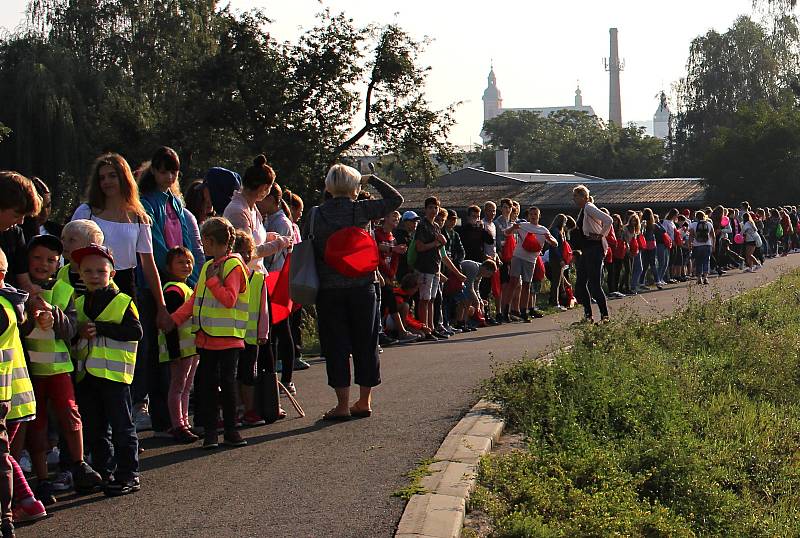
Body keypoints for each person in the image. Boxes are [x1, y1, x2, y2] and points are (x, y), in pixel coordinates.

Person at [311, 164, 402, 421]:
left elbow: (314, 245)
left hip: (329, 288)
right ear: (355, 187)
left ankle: (341, 404)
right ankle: (364, 401)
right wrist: (373, 178)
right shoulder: (361, 210)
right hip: (363, 285)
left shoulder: (316, 214)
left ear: (328, 186)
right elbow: (396, 200)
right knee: (366, 341)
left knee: (336, 344)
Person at [21, 235, 102, 504]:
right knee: (38, 425)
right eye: (37, 258)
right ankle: (42, 480)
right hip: (31, 371)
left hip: (59, 369)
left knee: (70, 413)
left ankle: (78, 465)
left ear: (58, 264)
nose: (43, 264)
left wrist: (54, 316)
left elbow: (70, 331)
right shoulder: (18, 290)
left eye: (50, 260)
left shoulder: (64, 291)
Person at [135, 147, 205, 438]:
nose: (169, 176)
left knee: (183, 352)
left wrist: (189, 269)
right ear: (154, 171)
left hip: (180, 280)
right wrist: (170, 268)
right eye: (164, 170)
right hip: (157, 282)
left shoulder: (175, 201)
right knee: (160, 351)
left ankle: (179, 415)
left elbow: (187, 238)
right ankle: (163, 417)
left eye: (174, 171)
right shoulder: (147, 202)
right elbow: (153, 241)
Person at [168, 217, 250, 449]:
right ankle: (212, 433)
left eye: (204, 242)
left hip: (228, 338)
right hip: (207, 338)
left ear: (210, 241)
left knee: (227, 383)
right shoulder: (206, 266)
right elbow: (195, 299)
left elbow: (229, 299)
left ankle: (231, 431)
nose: (202, 246)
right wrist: (174, 319)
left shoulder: (233, 265)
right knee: (206, 385)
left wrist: (214, 280)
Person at [72, 244, 142, 497]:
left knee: (122, 426)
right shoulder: (79, 302)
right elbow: (74, 336)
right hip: (88, 376)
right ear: (79, 273)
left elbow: (136, 332)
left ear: (111, 274)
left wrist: (100, 327)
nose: (93, 275)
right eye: (87, 271)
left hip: (114, 375)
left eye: (100, 271)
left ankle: (128, 474)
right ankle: (104, 472)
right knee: (96, 428)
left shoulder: (123, 301)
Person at [259, 182, 299, 392]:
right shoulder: (267, 219)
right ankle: (272, 375)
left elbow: (272, 254)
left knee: (282, 329)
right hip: (272, 277)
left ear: (273, 200)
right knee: (272, 331)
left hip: (277, 277)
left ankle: (287, 377)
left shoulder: (281, 221)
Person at [157, 246, 200, 443]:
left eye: (188, 261)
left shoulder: (188, 287)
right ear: (169, 267)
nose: (186, 265)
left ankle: (184, 422)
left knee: (186, 386)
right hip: (179, 350)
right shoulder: (173, 291)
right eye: (180, 262)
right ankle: (178, 425)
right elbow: (171, 324)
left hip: (190, 348)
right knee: (178, 386)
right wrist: (174, 351)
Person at [507, 207, 557, 322]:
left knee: (526, 285)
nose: (533, 216)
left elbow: (555, 243)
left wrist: (549, 238)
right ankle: (506, 310)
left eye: (535, 214)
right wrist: (512, 228)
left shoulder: (543, 229)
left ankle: (524, 311)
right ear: (528, 216)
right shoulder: (523, 226)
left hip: (531, 260)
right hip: (518, 256)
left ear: (539, 216)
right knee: (513, 282)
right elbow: (506, 232)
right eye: (531, 214)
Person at [571, 185, 613, 323]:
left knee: (594, 284)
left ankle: (604, 315)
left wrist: (601, 235)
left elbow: (608, 220)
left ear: (583, 196)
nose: (574, 199)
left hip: (594, 249)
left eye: (576, 196)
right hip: (587, 249)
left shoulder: (589, 207)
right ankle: (588, 315)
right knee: (581, 283)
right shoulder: (584, 209)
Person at [414, 197, 447, 341]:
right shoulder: (422, 225)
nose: (434, 210)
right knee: (424, 299)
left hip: (435, 266)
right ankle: (424, 329)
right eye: (431, 207)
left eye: (436, 208)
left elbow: (438, 246)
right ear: (426, 209)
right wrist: (435, 243)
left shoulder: (436, 226)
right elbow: (419, 247)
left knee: (432, 299)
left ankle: (431, 327)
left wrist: (441, 243)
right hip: (425, 266)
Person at [57, 219, 104, 297]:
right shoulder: (62, 271)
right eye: (63, 239)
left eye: (71, 240)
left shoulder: (97, 275)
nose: (64, 243)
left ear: (90, 245)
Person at [453, 259, 497, 331]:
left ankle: (464, 322)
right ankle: (459, 322)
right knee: (466, 300)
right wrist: (477, 300)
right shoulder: (474, 268)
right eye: (489, 274)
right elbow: (469, 286)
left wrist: (480, 300)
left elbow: (476, 288)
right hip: (457, 282)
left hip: (463, 284)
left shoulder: (480, 273)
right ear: (485, 268)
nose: (488, 276)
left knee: (470, 299)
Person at [21, 177, 62, 243]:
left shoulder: (59, 231)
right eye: (40, 207)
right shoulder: (14, 234)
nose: (45, 212)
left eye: (48, 206)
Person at [689, 211, 715, 285]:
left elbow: (691, 235)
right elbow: (713, 236)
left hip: (697, 245)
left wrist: (690, 245)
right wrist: (713, 245)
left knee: (698, 261)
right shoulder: (709, 224)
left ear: (696, 217)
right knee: (706, 261)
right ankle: (705, 278)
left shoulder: (693, 224)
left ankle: (699, 278)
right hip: (707, 245)